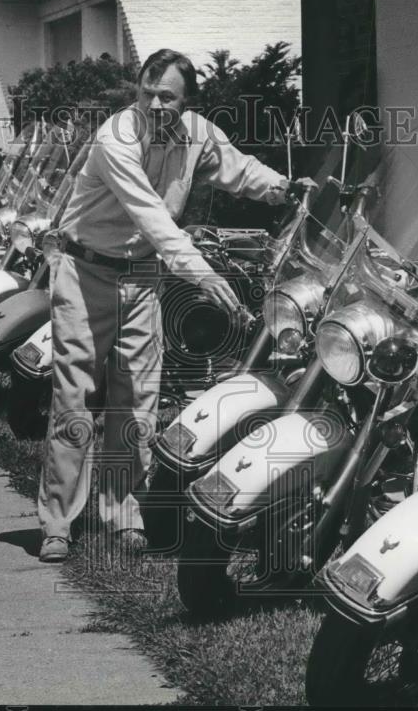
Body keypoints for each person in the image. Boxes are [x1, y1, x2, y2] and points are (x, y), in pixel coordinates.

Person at [38, 48, 310, 562]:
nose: (156, 105)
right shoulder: (116, 138)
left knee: (137, 402)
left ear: (187, 103)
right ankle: (58, 523)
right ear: (135, 91)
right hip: (84, 270)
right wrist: (202, 275)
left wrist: (284, 189)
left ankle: (125, 515)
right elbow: (154, 220)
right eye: (147, 93)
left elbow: (238, 169)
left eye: (168, 97)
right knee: (75, 399)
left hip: (141, 275)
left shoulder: (198, 134)